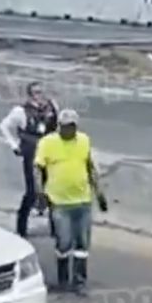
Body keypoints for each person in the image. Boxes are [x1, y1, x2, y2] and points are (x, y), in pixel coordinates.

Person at [34, 109, 107, 293]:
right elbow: (38, 170)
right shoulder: (47, 143)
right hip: (59, 202)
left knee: (82, 244)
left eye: (72, 126)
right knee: (64, 242)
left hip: (83, 201)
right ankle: (63, 279)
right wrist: (40, 194)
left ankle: (79, 281)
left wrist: (99, 193)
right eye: (66, 127)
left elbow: (91, 168)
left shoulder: (84, 141)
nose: (69, 130)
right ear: (59, 126)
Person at [0, 81, 59, 238]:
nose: (40, 96)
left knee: (52, 190)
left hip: (50, 151)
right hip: (32, 152)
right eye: (36, 93)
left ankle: (55, 227)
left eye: (42, 92)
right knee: (32, 191)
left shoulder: (52, 107)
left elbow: (56, 127)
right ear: (30, 95)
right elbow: (4, 126)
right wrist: (14, 145)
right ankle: (21, 228)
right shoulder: (20, 111)